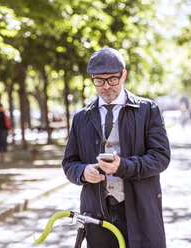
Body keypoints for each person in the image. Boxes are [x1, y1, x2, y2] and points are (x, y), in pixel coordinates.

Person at [62, 46, 171, 248]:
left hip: (140, 209)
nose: (106, 86)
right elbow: (69, 163)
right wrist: (83, 172)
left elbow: (161, 157)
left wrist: (123, 167)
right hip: (97, 213)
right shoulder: (80, 118)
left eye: (112, 79)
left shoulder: (148, 110)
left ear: (124, 75)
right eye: (99, 81)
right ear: (92, 78)